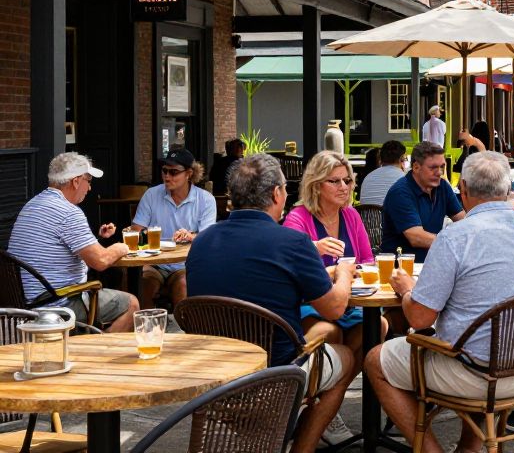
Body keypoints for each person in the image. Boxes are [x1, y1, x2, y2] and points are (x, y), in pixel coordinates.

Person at [365, 152, 514, 453]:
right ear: (507, 189)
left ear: (463, 189)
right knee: (482, 341)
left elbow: (419, 319)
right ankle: (468, 448)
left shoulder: (455, 237)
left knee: (376, 359)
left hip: (477, 375)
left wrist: (406, 291)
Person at [186, 154, 360, 451]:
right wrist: (343, 273)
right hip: (277, 376)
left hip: (215, 375)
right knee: (346, 356)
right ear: (276, 194)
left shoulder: (201, 241)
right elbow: (334, 308)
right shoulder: (291, 242)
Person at [8, 153, 138, 332]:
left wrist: (97, 239)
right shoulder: (69, 213)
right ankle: (96, 353)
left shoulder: (31, 205)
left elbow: (55, 250)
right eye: (89, 180)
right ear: (76, 181)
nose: (90, 187)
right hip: (57, 303)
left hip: (24, 304)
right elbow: (100, 261)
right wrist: (121, 247)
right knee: (131, 305)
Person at [284, 151, 379, 383]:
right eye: (334, 181)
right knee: (331, 332)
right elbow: (289, 261)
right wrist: (315, 247)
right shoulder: (298, 218)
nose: (343, 187)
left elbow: (368, 262)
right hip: (311, 304)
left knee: (378, 327)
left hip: (349, 302)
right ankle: (310, 385)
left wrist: (353, 273)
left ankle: (335, 385)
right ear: (316, 186)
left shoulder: (351, 215)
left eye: (347, 180)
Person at [131, 148, 216, 310]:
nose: (167, 176)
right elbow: (136, 230)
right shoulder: (151, 195)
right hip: (154, 262)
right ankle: (147, 331)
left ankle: (185, 332)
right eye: (164, 171)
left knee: (182, 286)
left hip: (186, 263)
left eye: (173, 172)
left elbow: (208, 237)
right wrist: (145, 235)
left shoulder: (205, 200)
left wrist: (191, 236)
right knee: (145, 285)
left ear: (189, 173)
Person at [380, 141, 465, 262]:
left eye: (442, 167)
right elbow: (416, 237)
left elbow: (462, 219)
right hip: (401, 268)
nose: (440, 172)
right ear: (416, 167)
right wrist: (455, 242)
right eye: (433, 168)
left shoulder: (442, 187)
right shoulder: (400, 192)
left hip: (432, 264)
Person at [357, 140, 407, 207]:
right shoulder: (405, 179)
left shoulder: (368, 178)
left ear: (381, 159)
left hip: (368, 217)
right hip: (393, 217)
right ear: (401, 159)